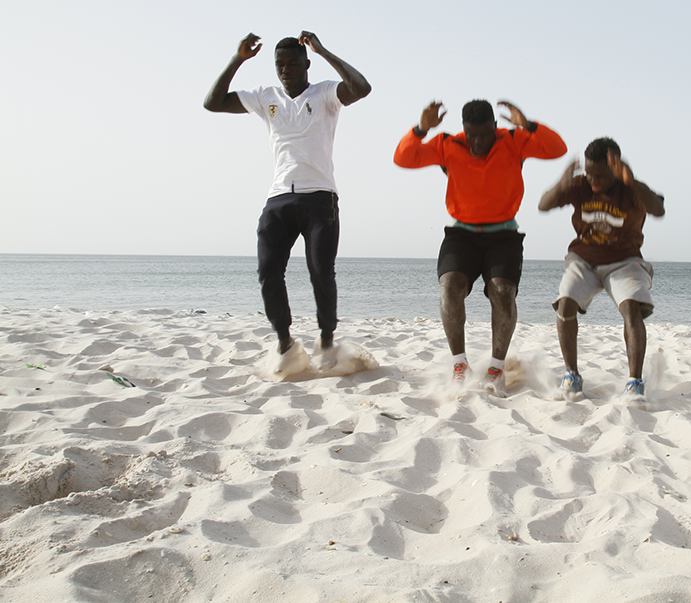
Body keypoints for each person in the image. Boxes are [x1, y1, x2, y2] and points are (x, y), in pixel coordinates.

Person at [203, 31, 371, 373]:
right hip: (279, 198)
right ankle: (285, 342)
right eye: (280, 64)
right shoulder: (266, 97)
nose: (286, 70)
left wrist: (323, 50)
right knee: (268, 272)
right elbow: (213, 102)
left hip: (320, 198)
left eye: (293, 63)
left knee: (321, 272)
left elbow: (361, 87)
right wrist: (238, 59)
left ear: (306, 64)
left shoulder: (324, 93)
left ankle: (326, 338)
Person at [394, 100, 567, 394]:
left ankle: (496, 368)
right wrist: (421, 128)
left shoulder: (513, 140)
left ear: (495, 128)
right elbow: (404, 158)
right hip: (462, 234)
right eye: (471, 135)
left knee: (502, 292)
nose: (477, 142)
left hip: (503, 235)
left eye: (484, 135)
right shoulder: (448, 144)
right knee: (449, 286)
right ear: (464, 129)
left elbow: (556, 148)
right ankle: (460, 364)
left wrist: (529, 125)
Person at [538, 137, 665, 399]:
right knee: (565, 303)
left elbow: (658, 208)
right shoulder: (582, 185)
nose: (593, 181)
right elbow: (544, 204)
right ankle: (571, 374)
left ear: (616, 169)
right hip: (583, 260)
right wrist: (561, 184)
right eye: (589, 173)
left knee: (631, 307)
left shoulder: (631, 189)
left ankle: (635, 382)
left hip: (624, 261)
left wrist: (633, 182)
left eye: (601, 176)